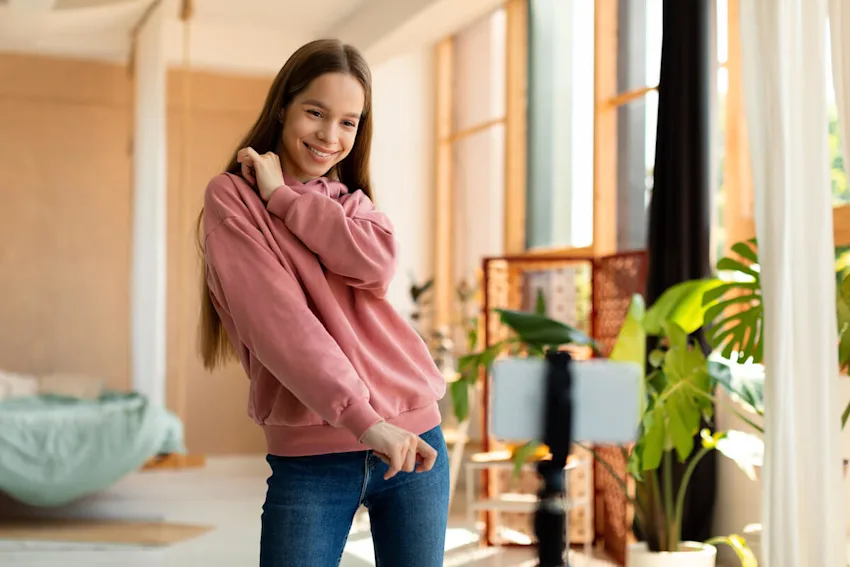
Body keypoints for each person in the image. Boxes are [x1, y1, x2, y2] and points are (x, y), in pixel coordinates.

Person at [195, 39, 450, 566]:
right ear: (283, 105)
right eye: (316, 112)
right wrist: (363, 420)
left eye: (348, 123)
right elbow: (281, 327)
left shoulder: (353, 205)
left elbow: (376, 265)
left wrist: (286, 199)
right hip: (315, 458)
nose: (330, 137)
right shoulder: (231, 198)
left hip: (414, 436)